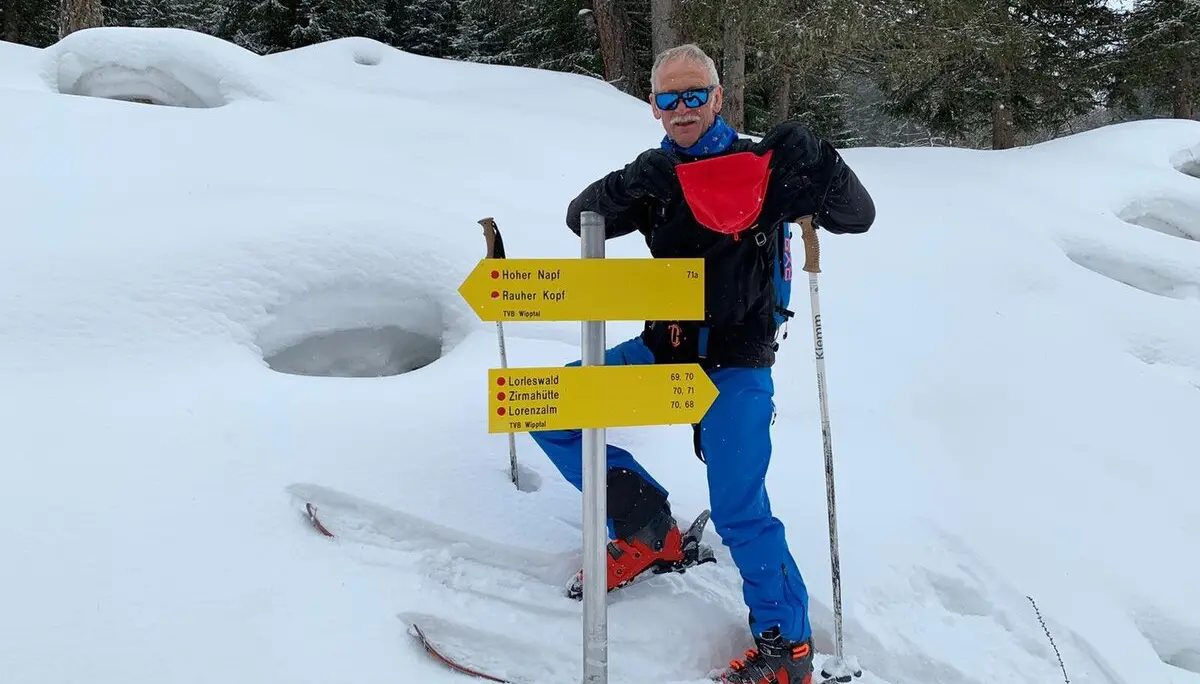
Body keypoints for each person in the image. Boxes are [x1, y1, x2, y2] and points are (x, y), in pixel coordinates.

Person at [529, 43, 875, 684]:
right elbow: (581, 217)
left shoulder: (764, 167)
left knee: (741, 508)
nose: (682, 107)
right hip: (666, 351)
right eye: (669, 97)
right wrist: (630, 183)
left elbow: (858, 216)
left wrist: (825, 162)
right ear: (654, 107)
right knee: (548, 406)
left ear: (717, 98)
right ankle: (646, 528)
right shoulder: (658, 174)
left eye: (695, 94)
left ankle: (786, 648)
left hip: (738, 364)